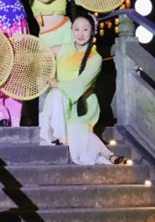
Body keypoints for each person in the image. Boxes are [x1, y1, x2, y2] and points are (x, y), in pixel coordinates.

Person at [39, 11, 127, 165]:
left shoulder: (95, 58)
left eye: (85, 29)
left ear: (92, 32)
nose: (80, 34)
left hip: (82, 104)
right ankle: (106, 155)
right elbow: (38, 56)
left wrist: (57, 84)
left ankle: (104, 154)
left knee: (77, 128)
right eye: (76, 29)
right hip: (59, 105)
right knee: (57, 95)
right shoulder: (59, 49)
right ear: (71, 31)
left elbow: (80, 85)